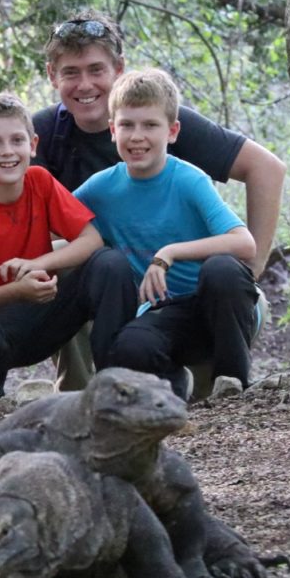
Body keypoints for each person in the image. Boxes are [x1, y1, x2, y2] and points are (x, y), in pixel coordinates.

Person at [34, 9, 285, 391]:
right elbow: (23, 220)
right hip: (131, 299)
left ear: (119, 69)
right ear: (53, 76)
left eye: (96, 69)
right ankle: (86, 396)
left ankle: (227, 387)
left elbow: (267, 168)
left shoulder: (160, 115)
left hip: (205, 288)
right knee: (86, 264)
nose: (84, 84)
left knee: (221, 285)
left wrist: (249, 270)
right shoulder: (43, 134)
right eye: (71, 72)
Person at [0, 93, 136, 409]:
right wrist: (17, 290)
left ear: (33, 144)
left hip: (44, 316)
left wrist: (38, 263)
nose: (7, 152)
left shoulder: (40, 182)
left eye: (17, 140)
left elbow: (91, 239)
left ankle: (119, 385)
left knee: (110, 263)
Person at [74, 68, 258, 400]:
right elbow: (48, 219)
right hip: (168, 312)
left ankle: (233, 390)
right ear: (112, 130)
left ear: (172, 131)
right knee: (130, 347)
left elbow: (244, 244)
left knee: (222, 269)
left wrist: (169, 252)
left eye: (150, 125)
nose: (137, 136)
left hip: (220, 306)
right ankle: (172, 389)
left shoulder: (189, 179)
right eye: (127, 125)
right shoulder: (101, 188)